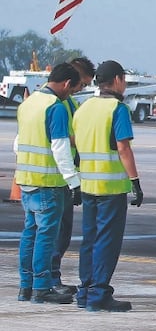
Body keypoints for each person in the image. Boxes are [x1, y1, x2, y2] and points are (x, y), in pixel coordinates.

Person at [73, 59, 143, 311]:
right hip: (110, 187)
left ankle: (85, 290)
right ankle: (99, 294)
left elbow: (75, 143)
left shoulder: (83, 107)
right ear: (116, 80)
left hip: (87, 183)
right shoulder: (117, 109)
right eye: (124, 79)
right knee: (107, 241)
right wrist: (135, 181)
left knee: (89, 239)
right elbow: (123, 148)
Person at [15, 63, 82, 304]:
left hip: (26, 180)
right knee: (46, 236)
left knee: (29, 234)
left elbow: (18, 143)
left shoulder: (28, 104)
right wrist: (74, 182)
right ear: (66, 84)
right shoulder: (55, 107)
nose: (69, 95)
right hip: (48, 183)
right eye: (72, 90)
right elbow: (60, 148)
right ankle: (42, 287)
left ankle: (26, 286)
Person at [50, 56, 95, 296]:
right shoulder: (58, 104)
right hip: (58, 177)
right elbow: (60, 141)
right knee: (56, 232)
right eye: (80, 83)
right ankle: (49, 279)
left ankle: (42, 279)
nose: (80, 88)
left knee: (58, 231)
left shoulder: (69, 104)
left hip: (62, 174)